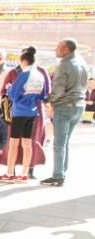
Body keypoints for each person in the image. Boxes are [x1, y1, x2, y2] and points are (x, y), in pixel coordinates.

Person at [0, 47, 48, 184]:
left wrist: (9, 88)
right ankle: (24, 174)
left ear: (24, 61)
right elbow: (43, 95)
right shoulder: (40, 75)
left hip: (19, 112)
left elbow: (12, 95)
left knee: (13, 143)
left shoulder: (24, 75)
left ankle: (9, 173)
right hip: (32, 111)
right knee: (27, 142)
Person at [42, 39, 89, 187]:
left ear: (66, 49)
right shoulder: (81, 62)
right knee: (65, 142)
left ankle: (58, 176)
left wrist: (50, 101)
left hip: (65, 107)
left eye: (58, 47)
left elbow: (58, 89)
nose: (55, 50)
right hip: (78, 106)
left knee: (59, 143)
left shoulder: (64, 65)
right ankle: (62, 171)